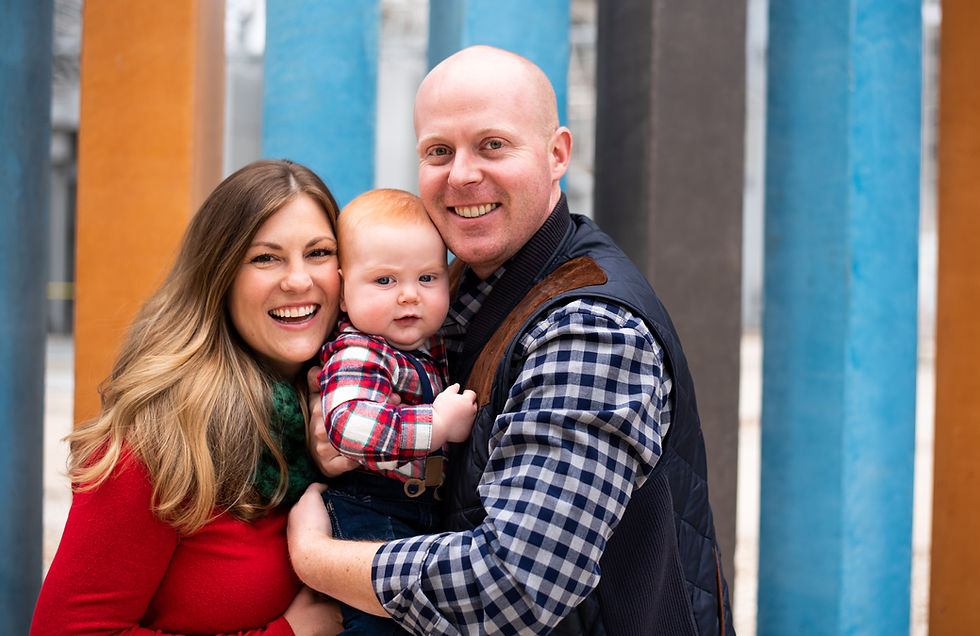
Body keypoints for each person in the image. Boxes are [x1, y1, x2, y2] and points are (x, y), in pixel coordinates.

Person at [287, 45, 734, 635]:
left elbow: (510, 585)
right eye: (438, 151)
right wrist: (358, 443)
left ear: (558, 154)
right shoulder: (447, 291)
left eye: (493, 144)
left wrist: (317, 559)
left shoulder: (591, 329)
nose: (462, 175)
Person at [31, 159, 346, 636]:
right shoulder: (158, 439)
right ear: (219, 275)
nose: (299, 280)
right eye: (266, 258)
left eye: (319, 252)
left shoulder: (362, 419)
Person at [316, 188, 478, 634]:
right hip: (371, 509)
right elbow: (348, 425)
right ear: (344, 293)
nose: (409, 296)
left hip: (422, 508)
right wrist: (436, 425)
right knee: (380, 623)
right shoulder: (359, 349)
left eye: (427, 278)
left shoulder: (431, 344)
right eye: (385, 281)